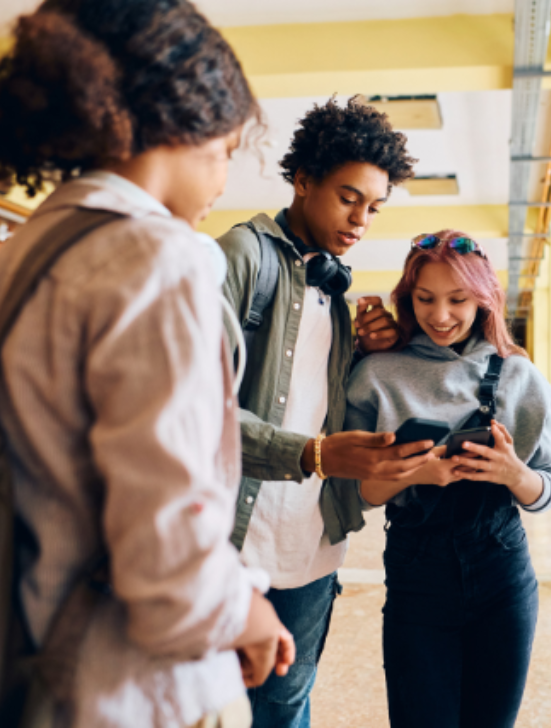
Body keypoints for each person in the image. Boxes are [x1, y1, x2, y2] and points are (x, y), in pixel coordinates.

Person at [0, 1, 293, 726]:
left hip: (15, 656)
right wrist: (247, 610)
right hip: (120, 685)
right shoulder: (156, 258)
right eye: (228, 153)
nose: (224, 185)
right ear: (185, 123)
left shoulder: (23, 252)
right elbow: (168, 554)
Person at [216, 96, 432, 728]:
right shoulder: (240, 257)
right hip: (233, 538)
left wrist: (367, 351)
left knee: (285, 708)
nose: (362, 218)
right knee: (218, 708)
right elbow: (191, 413)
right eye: (348, 197)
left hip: (312, 542)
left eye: (374, 205)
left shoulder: (338, 286)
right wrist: (310, 454)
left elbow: (317, 393)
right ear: (303, 180)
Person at [343, 230, 551, 728]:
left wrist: (514, 474)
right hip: (418, 577)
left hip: (503, 574)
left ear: (484, 299)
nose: (440, 316)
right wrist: (417, 472)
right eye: (425, 299)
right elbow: (357, 495)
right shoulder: (376, 374)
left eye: (458, 300)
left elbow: (545, 491)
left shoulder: (520, 376)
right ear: (406, 297)